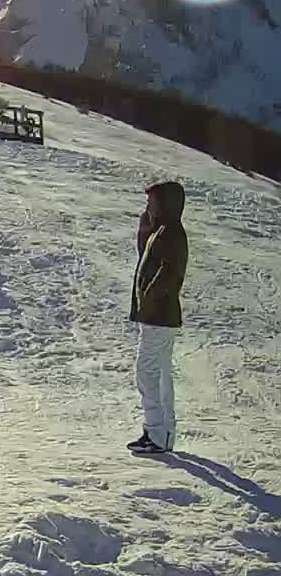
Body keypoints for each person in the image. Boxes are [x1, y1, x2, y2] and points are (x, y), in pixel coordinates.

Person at [128, 181, 189, 455]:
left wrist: (148, 299)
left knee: (147, 372)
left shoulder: (172, 233)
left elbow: (168, 273)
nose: (148, 206)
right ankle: (162, 433)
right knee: (160, 373)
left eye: (152, 202)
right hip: (159, 315)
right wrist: (145, 225)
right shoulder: (163, 231)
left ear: (165, 203)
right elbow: (146, 257)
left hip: (159, 315)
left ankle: (157, 433)